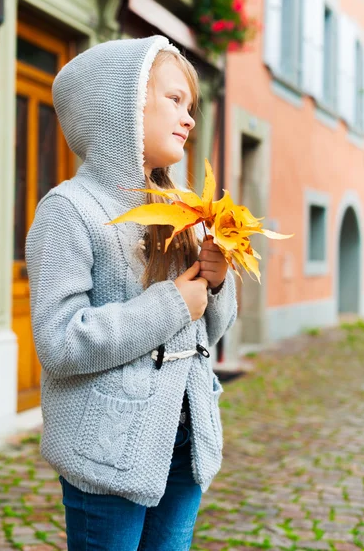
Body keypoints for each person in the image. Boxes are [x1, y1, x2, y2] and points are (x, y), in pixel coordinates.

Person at [25, 35, 237, 551]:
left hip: (186, 440)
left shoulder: (181, 208)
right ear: (121, 103)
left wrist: (215, 280)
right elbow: (58, 342)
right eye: (173, 101)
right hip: (109, 448)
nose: (188, 119)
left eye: (191, 106)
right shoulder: (70, 209)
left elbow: (211, 329)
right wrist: (172, 304)